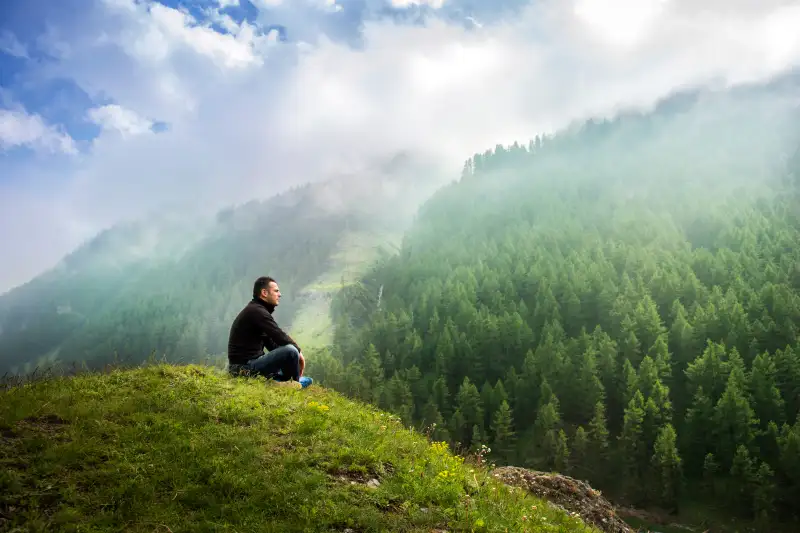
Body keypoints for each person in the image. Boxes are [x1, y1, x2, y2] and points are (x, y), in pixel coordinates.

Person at [227, 276, 313, 389]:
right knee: (291, 350)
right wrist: (298, 353)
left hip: (250, 365)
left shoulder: (258, 311)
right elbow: (278, 335)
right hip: (243, 369)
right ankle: (290, 382)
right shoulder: (256, 311)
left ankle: (283, 382)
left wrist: (291, 357)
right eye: (276, 291)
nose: (280, 294)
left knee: (307, 378)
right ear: (264, 293)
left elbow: (272, 345)